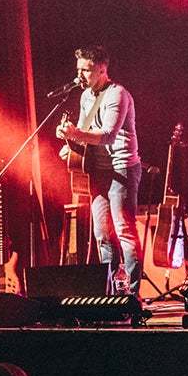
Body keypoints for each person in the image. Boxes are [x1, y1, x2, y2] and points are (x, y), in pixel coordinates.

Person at [55, 46, 144, 296]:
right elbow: (85, 133)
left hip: (121, 168)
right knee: (102, 233)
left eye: (86, 69)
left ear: (102, 69)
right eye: (78, 69)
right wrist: (69, 142)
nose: (80, 74)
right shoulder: (85, 97)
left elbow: (107, 136)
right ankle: (111, 293)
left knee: (124, 230)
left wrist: (76, 134)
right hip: (98, 170)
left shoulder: (117, 94)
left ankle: (133, 295)